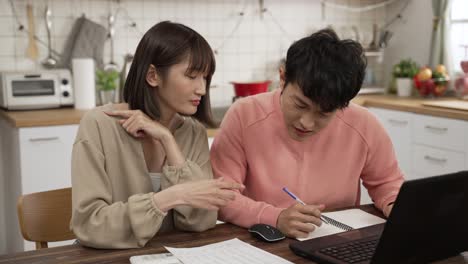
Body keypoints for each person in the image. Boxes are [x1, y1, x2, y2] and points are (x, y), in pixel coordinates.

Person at [210, 28, 404, 239]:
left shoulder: (364, 124)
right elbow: (222, 197)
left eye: (324, 113)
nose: (307, 123)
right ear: (283, 78)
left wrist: (395, 205)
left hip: (337, 239)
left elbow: (388, 184)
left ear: (343, 104)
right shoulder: (244, 115)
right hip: (263, 239)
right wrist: (275, 217)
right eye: (300, 105)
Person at [71, 21, 243, 249]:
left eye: (205, 78)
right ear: (153, 75)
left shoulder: (193, 132)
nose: (201, 89)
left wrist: (168, 140)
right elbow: (90, 225)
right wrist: (172, 196)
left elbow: (201, 221)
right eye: (191, 76)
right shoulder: (99, 125)